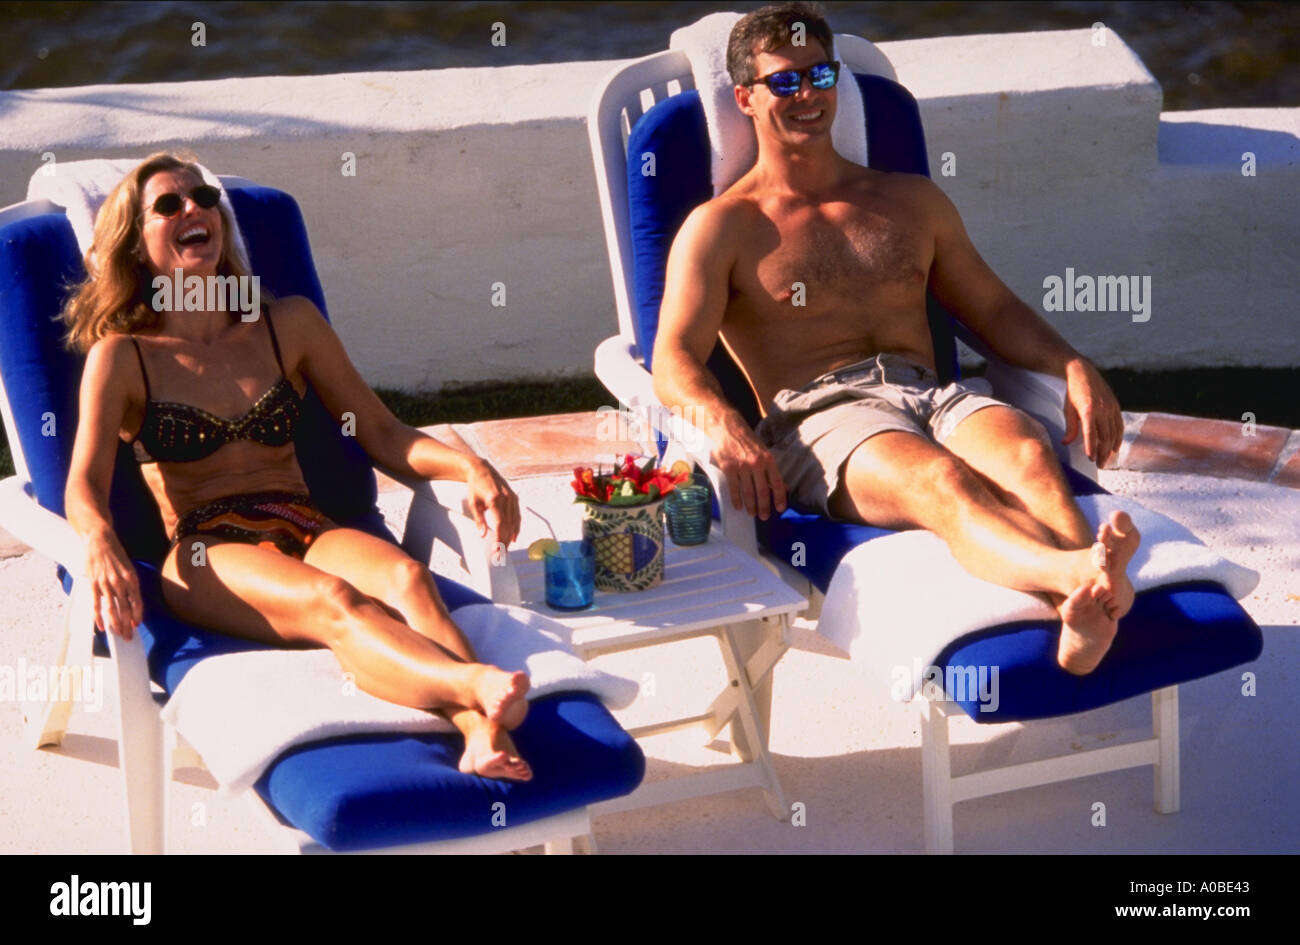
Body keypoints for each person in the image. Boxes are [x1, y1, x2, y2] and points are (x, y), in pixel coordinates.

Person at [651, 3, 1141, 675]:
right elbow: (672, 356)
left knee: (1027, 452)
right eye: (784, 82)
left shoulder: (910, 201)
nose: (808, 95)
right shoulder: (723, 227)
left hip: (932, 393)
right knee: (943, 481)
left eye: (819, 75)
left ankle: (1086, 598)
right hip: (820, 421)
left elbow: (993, 309)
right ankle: (1082, 579)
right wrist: (726, 426)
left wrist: (1072, 363)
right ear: (746, 98)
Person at [63, 152, 533, 780]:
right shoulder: (124, 357)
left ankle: (481, 734)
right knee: (334, 600)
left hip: (304, 521)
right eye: (169, 205)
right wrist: (97, 539)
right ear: (136, 242)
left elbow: (384, 434)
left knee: (409, 583)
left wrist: (470, 466)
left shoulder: (287, 325)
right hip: (207, 550)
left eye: (203, 197)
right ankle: (473, 683)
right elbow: (84, 484)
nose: (194, 209)